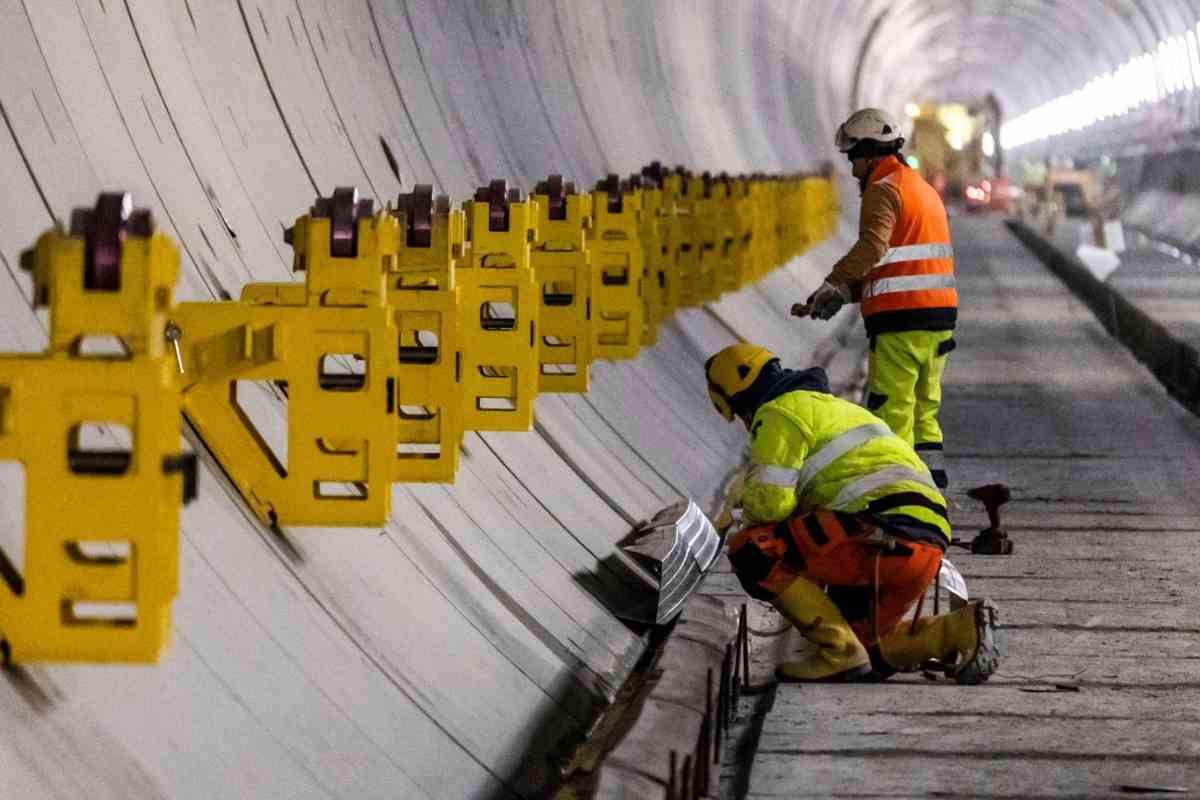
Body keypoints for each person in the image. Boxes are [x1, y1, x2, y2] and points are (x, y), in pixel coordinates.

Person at [705, 342, 998, 683]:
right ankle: (957, 630)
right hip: (923, 549)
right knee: (870, 649)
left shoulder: (779, 412)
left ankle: (837, 652)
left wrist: (738, 515)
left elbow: (770, 506)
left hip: (876, 537)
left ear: (736, 401)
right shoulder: (836, 408)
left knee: (752, 550)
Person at [803, 107, 956, 488]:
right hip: (937, 320)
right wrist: (848, 294)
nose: (853, 168)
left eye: (854, 157)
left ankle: (897, 492)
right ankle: (931, 490)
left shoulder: (882, 189)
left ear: (870, 153)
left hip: (901, 323)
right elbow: (901, 264)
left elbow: (873, 248)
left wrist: (832, 281)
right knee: (924, 412)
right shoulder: (919, 187)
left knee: (892, 411)